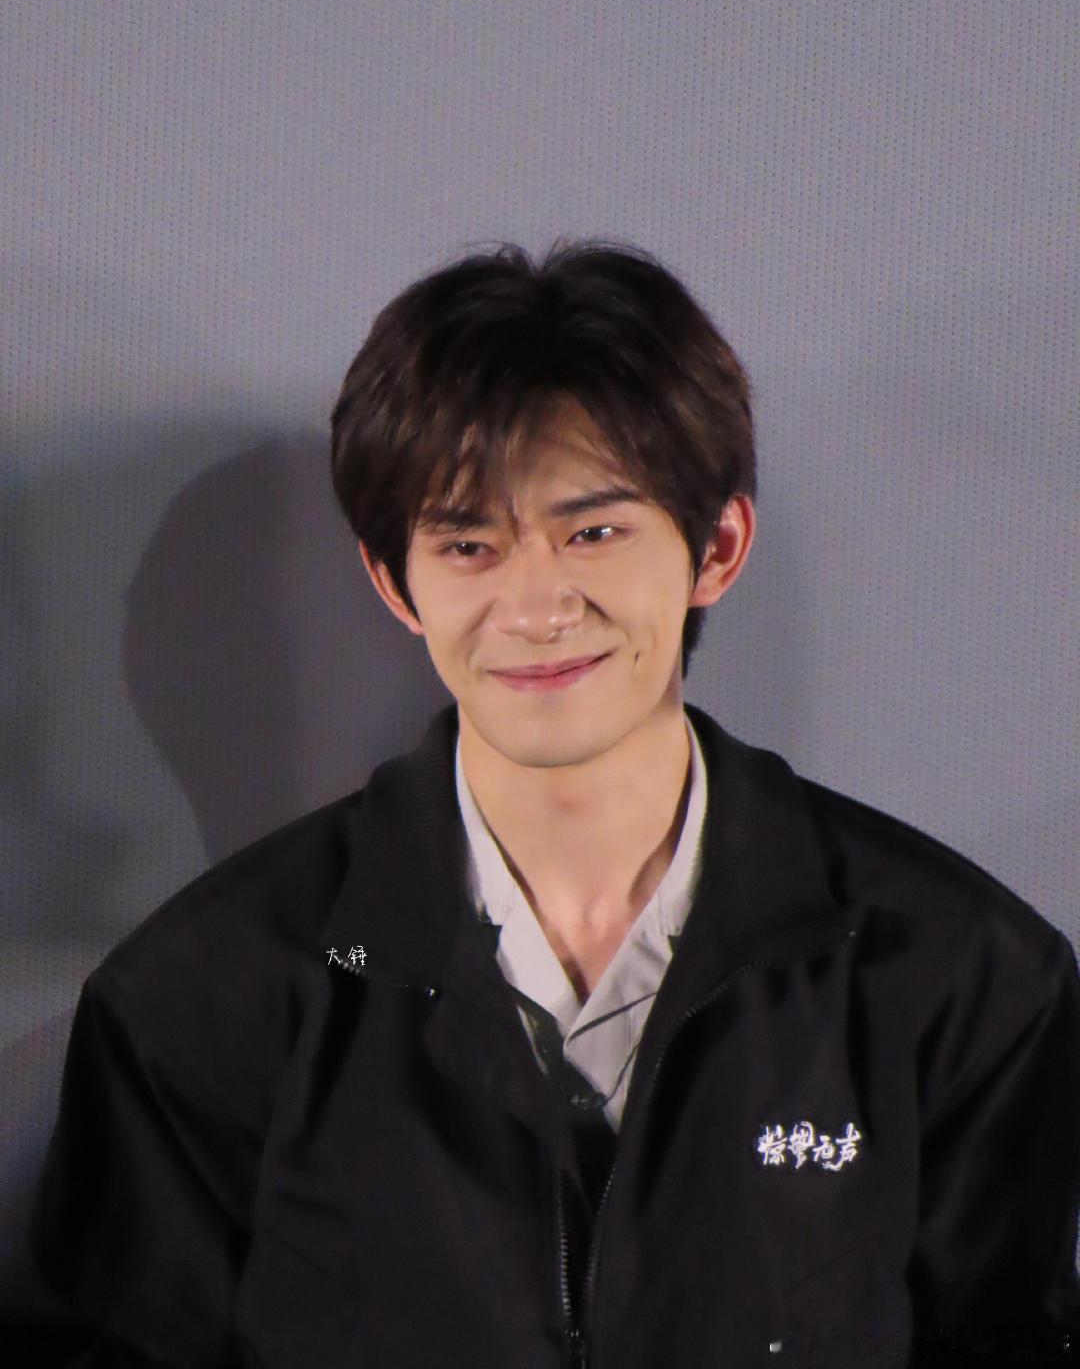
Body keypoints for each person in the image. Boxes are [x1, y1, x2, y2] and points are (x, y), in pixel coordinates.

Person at [27, 241, 1080, 1367]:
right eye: (468, 544)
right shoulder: (198, 1000)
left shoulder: (962, 979)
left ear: (717, 548)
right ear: (395, 584)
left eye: (593, 532)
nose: (535, 607)